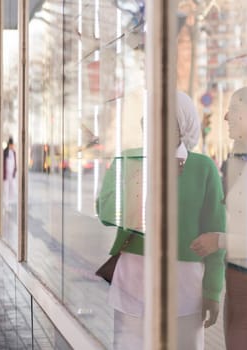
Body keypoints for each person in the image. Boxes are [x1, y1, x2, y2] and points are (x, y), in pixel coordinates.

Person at [97, 91, 226, 350]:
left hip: (185, 292)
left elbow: (215, 233)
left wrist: (212, 292)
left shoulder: (203, 168)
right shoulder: (128, 160)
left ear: (182, 125)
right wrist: (143, 177)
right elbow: (106, 213)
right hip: (132, 285)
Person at [190, 86, 247, 350]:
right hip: (235, 277)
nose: (225, 117)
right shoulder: (235, 160)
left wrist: (220, 241)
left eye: (234, 111)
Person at [3, 136, 17, 205]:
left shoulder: (14, 152)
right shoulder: (5, 152)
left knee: (13, 189)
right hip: (6, 175)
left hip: (11, 175)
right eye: (11, 145)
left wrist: (15, 171)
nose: (12, 146)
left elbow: (15, 162)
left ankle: (8, 201)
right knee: (6, 190)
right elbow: (3, 163)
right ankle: (6, 203)